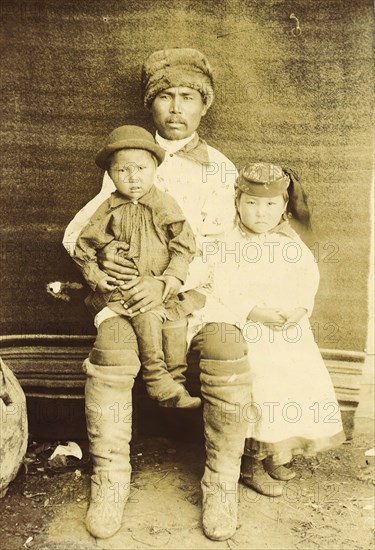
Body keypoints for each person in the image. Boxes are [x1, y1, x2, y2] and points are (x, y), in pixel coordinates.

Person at [64, 48, 250, 542]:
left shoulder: (220, 168)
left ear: (203, 106)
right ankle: (110, 478)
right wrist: (105, 263)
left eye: (187, 97)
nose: (175, 107)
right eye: (165, 96)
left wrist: (168, 281)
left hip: (196, 291)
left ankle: (221, 483)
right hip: (130, 296)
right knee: (113, 350)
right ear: (151, 105)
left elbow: (224, 247)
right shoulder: (130, 160)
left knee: (227, 348)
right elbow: (78, 233)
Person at [199, 162, 346, 496]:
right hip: (250, 328)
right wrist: (255, 311)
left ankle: (275, 452)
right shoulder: (229, 244)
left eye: (269, 204)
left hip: (287, 330)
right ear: (237, 203)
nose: (260, 213)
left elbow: (307, 279)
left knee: (293, 383)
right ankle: (249, 462)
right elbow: (224, 285)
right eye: (251, 203)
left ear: (283, 207)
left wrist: (298, 309)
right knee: (261, 387)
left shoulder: (289, 243)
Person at [73, 124, 203, 410]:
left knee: (176, 324)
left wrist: (172, 278)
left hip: (161, 287)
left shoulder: (164, 204)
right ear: (109, 174)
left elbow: (184, 245)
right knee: (146, 317)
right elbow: (83, 248)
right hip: (126, 289)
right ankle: (157, 379)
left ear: (155, 169)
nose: (133, 178)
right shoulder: (107, 208)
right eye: (122, 171)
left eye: (141, 169)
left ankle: (175, 381)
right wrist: (96, 277)